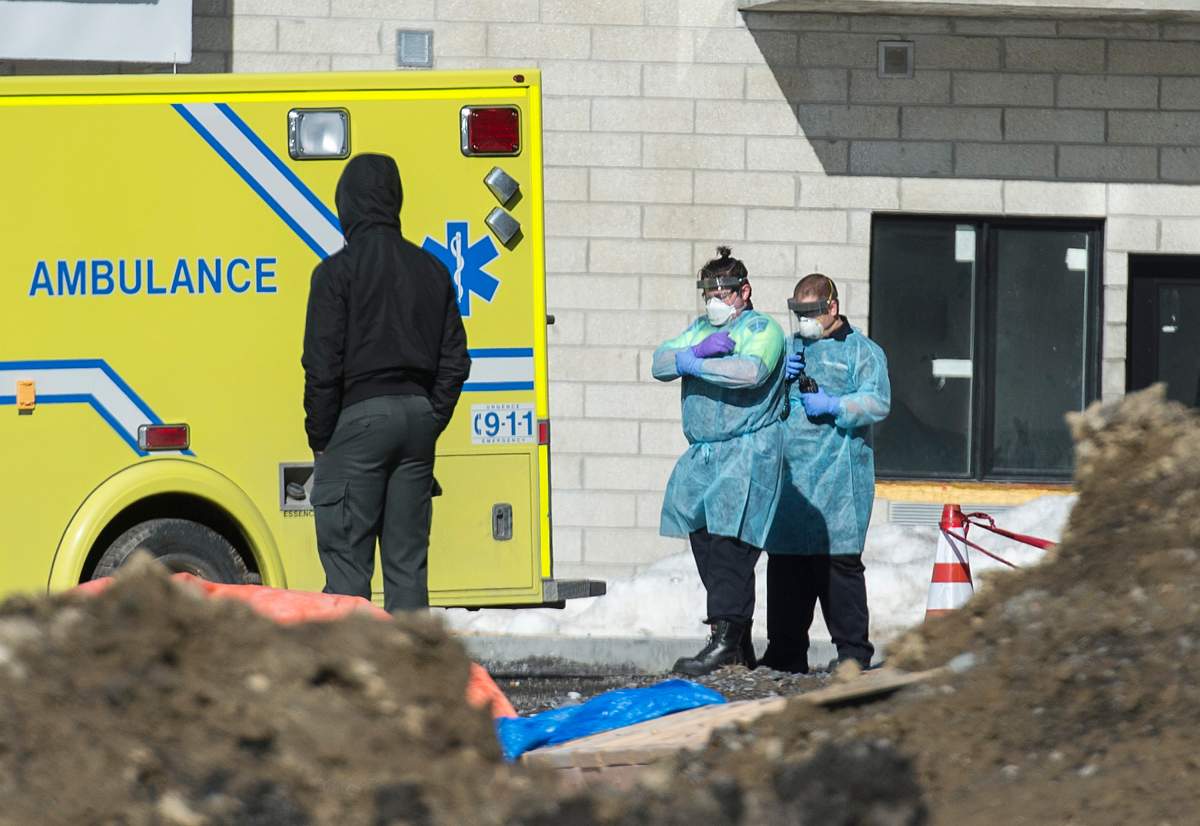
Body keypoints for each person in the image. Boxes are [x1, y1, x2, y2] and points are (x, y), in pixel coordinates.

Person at [302, 153, 471, 612]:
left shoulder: (334, 274)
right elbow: (456, 359)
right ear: (394, 201)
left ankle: (353, 678)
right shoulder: (432, 270)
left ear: (347, 206)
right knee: (407, 568)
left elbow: (321, 366)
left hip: (358, 423)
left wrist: (321, 439)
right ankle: (411, 676)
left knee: (348, 573)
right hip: (417, 423)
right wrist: (430, 416)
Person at [652, 246, 789, 676]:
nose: (714, 301)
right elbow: (659, 362)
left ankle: (724, 640)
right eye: (708, 292)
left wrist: (697, 363)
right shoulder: (698, 330)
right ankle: (739, 642)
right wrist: (690, 356)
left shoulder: (763, 329)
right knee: (707, 542)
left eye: (722, 292)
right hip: (707, 456)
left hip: (747, 452)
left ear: (743, 291)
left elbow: (750, 372)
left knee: (731, 546)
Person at [762, 273, 891, 673]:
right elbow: (763, 408)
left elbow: (877, 401)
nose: (804, 321)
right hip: (792, 483)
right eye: (798, 313)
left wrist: (835, 405)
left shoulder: (862, 351)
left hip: (838, 481)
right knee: (786, 567)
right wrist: (778, 385)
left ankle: (853, 653)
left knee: (838, 568)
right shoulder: (788, 349)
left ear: (831, 307)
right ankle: (785, 653)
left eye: (810, 312)